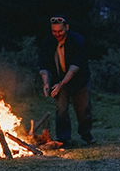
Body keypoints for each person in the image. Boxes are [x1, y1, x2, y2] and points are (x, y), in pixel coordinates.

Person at [39, 15, 95, 145]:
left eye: (60, 31)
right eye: (54, 31)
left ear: (67, 28)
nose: (57, 34)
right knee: (61, 109)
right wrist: (46, 83)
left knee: (83, 109)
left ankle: (86, 134)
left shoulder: (77, 40)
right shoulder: (48, 42)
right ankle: (63, 138)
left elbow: (74, 67)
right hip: (59, 81)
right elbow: (44, 65)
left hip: (79, 80)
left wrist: (62, 83)